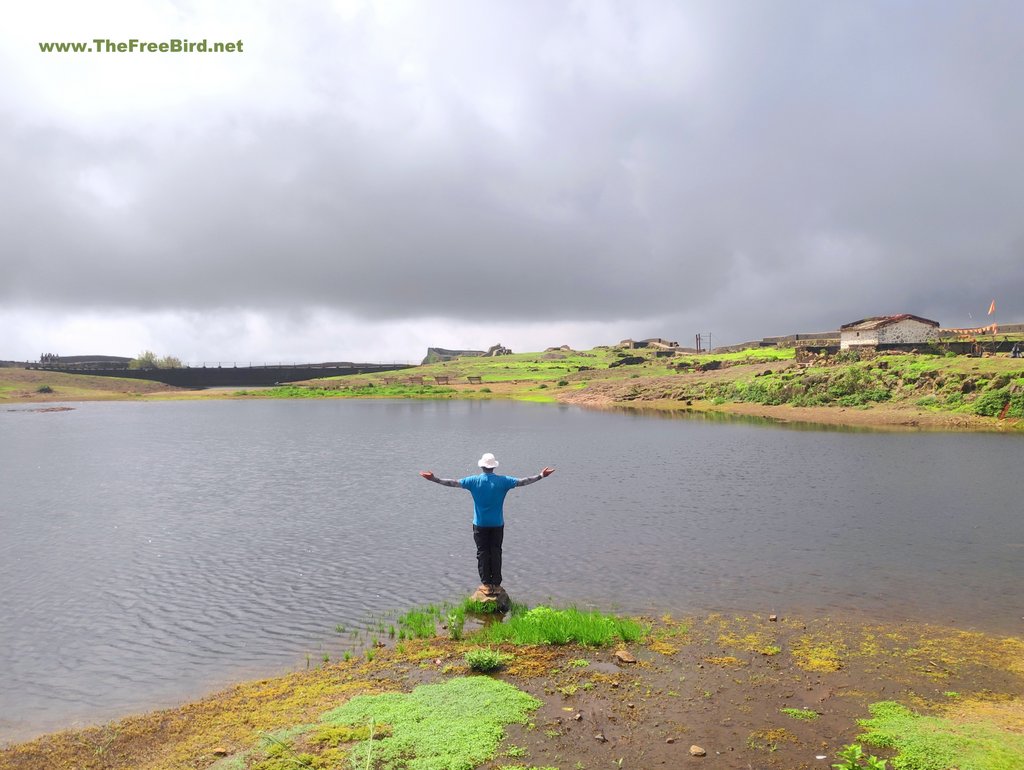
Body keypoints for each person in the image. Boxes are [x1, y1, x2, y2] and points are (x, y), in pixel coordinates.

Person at [420, 453, 555, 594]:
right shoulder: (504, 481)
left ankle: (486, 584)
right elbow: (523, 481)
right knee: (496, 552)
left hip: (480, 525)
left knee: (482, 553)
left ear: (482, 466)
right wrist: (541, 475)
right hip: (497, 524)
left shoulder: (473, 481)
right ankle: (496, 584)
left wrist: (434, 479)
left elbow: (453, 483)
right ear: (493, 467)